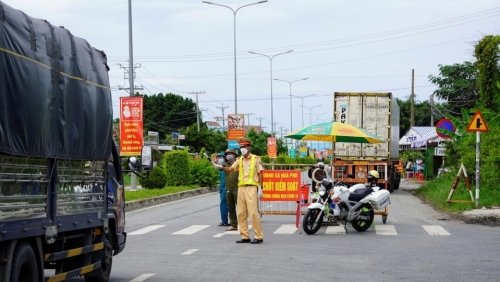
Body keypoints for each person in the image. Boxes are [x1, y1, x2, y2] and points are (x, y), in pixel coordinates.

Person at [215, 137, 264, 244]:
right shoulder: (239, 160)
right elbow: (231, 169)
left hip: (251, 187)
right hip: (241, 188)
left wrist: (260, 188)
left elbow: (260, 173)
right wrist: (221, 167)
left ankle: (258, 236)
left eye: (244, 146)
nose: (242, 148)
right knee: (241, 213)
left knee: (253, 213)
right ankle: (245, 236)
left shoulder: (256, 159)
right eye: (241, 147)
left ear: (249, 147)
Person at [223, 148, 239, 231]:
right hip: (229, 189)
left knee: (241, 208)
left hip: (238, 189)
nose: (229, 155)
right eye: (227, 154)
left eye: (231, 153)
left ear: (234, 155)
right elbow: (218, 166)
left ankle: (243, 223)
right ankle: (234, 224)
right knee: (231, 208)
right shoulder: (225, 164)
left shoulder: (238, 164)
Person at [216, 152, 229, 227]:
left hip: (226, 188)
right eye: (218, 158)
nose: (219, 159)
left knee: (223, 204)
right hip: (222, 189)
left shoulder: (226, 167)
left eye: (221, 157)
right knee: (227, 205)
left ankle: (225, 221)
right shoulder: (221, 168)